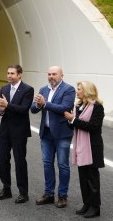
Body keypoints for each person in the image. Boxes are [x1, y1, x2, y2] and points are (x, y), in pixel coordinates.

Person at [30, 66, 75, 208]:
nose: (51, 76)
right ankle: (49, 194)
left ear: (61, 75)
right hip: (46, 133)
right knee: (47, 164)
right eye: (49, 74)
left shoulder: (68, 89)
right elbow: (33, 109)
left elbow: (64, 108)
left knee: (63, 165)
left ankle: (62, 196)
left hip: (62, 134)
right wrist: (37, 104)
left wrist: (45, 104)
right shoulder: (43, 89)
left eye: (54, 74)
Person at [64, 81, 104, 218]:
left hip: (92, 148)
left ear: (87, 91)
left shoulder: (97, 107)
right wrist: (70, 121)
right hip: (81, 146)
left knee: (92, 178)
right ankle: (86, 203)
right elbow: (73, 126)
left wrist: (73, 120)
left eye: (79, 89)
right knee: (83, 177)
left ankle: (95, 207)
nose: (77, 91)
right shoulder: (79, 105)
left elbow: (93, 127)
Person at [0, 64, 33, 204]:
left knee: (19, 161)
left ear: (20, 74)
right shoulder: (4, 88)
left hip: (19, 131)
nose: (9, 76)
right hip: (5, 130)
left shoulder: (28, 89)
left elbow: (23, 109)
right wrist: (1, 109)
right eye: (8, 73)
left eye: (12, 73)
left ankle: (23, 193)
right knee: (2, 159)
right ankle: (6, 188)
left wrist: (7, 105)